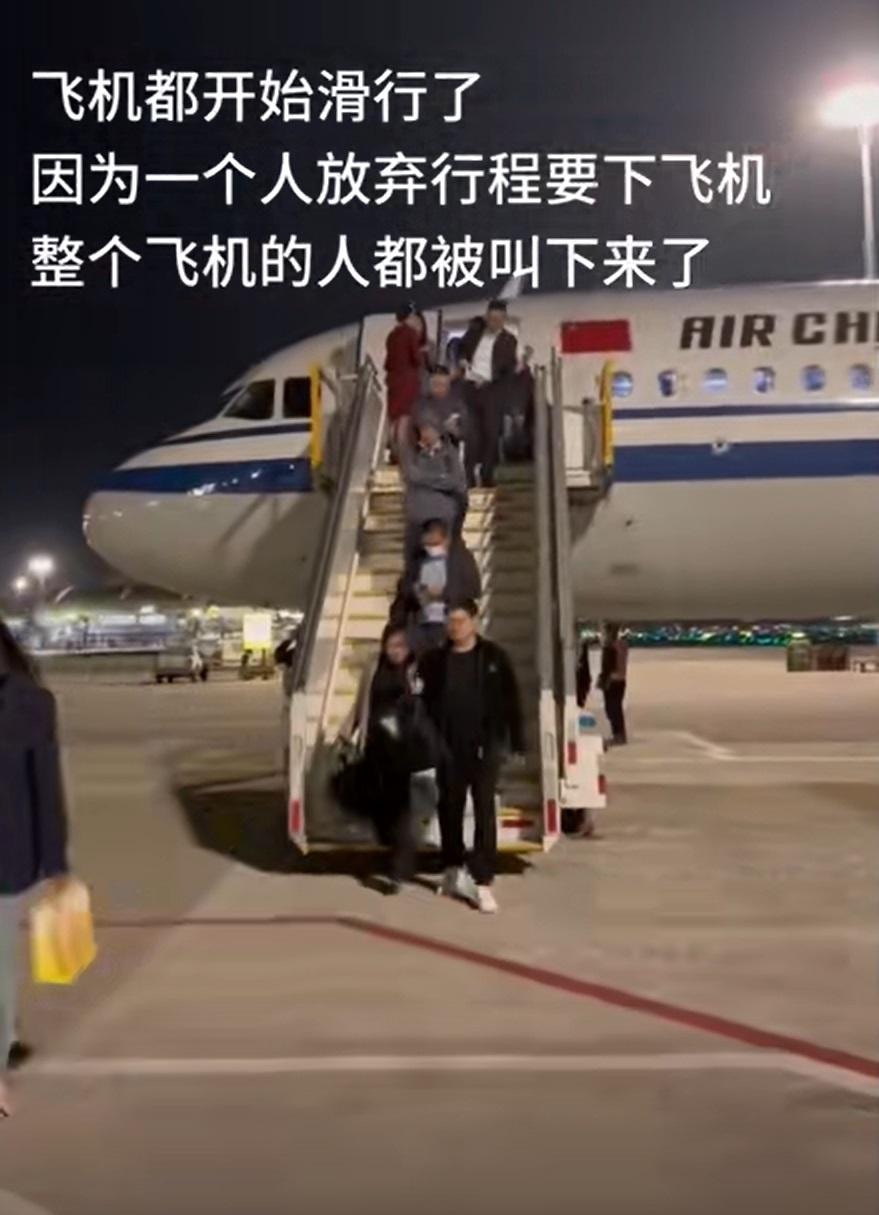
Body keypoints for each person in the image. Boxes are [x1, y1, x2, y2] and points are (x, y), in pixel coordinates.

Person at [0, 619, 72, 1117]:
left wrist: (56, 863)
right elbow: (45, 788)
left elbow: (45, 787)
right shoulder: (33, 702)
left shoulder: (31, 704)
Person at [418, 600, 524, 914]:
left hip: (484, 747)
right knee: (449, 809)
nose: (455, 628)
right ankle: (452, 868)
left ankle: (483, 879)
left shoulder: (493, 657)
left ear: (474, 621)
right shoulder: (434, 660)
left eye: (461, 621)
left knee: (483, 810)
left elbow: (511, 701)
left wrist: (517, 742)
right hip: (447, 747)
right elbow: (422, 704)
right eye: (450, 622)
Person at [340, 624, 434, 892]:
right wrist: (347, 731)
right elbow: (362, 702)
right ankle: (397, 850)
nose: (395, 651)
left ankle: (399, 871)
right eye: (391, 645)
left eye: (400, 646)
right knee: (381, 808)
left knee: (400, 807)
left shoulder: (416, 670)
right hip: (376, 745)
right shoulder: (374, 667)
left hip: (404, 749)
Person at [391, 518, 482, 654]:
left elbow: (473, 590)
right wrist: (418, 590)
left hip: (450, 623)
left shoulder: (462, 561)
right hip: (422, 624)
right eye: (428, 542)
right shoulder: (418, 561)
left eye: (435, 542)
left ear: (446, 540)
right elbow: (404, 588)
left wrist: (443, 593)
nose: (431, 547)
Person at [458, 299, 518, 488]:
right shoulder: (475, 333)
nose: (494, 323)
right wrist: (462, 360)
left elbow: (507, 368)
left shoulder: (509, 340)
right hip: (471, 387)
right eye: (491, 319)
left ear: (504, 319)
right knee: (472, 434)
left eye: (498, 320)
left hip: (492, 390)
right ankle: (468, 476)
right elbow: (460, 348)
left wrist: (490, 380)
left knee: (491, 434)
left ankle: (487, 474)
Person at [400, 417, 468, 561]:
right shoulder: (413, 454)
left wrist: (424, 479)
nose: (426, 433)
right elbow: (411, 476)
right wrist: (440, 478)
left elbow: (455, 481)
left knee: (438, 559)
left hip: (441, 515)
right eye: (423, 429)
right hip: (418, 515)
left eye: (429, 429)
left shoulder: (450, 454)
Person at [384, 303, 424, 456]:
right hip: (407, 381)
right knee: (404, 419)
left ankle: (393, 453)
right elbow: (417, 359)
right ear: (409, 317)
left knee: (393, 419)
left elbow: (388, 363)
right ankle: (402, 456)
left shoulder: (391, 335)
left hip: (393, 381)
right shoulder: (410, 333)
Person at [412, 365, 466, 447]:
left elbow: (464, 429)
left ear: (448, 385)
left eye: (443, 384)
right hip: (426, 445)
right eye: (435, 384)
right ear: (430, 385)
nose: (439, 388)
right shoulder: (422, 403)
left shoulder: (457, 401)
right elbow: (419, 421)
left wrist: (455, 430)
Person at [598, 622, 628, 746]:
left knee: (612, 709)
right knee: (615, 708)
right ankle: (619, 734)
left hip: (612, 681)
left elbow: (607, 667)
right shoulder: (622, 645)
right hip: (620, 680)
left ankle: (618, 735)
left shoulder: (610, 648)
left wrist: (603, 681)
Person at [576, 637, 592, 708]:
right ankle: (581, 700)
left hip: (582, 672)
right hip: (584, 672)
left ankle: (581, 700)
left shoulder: (583, 657)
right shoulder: (584, 656)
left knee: (581, 686)